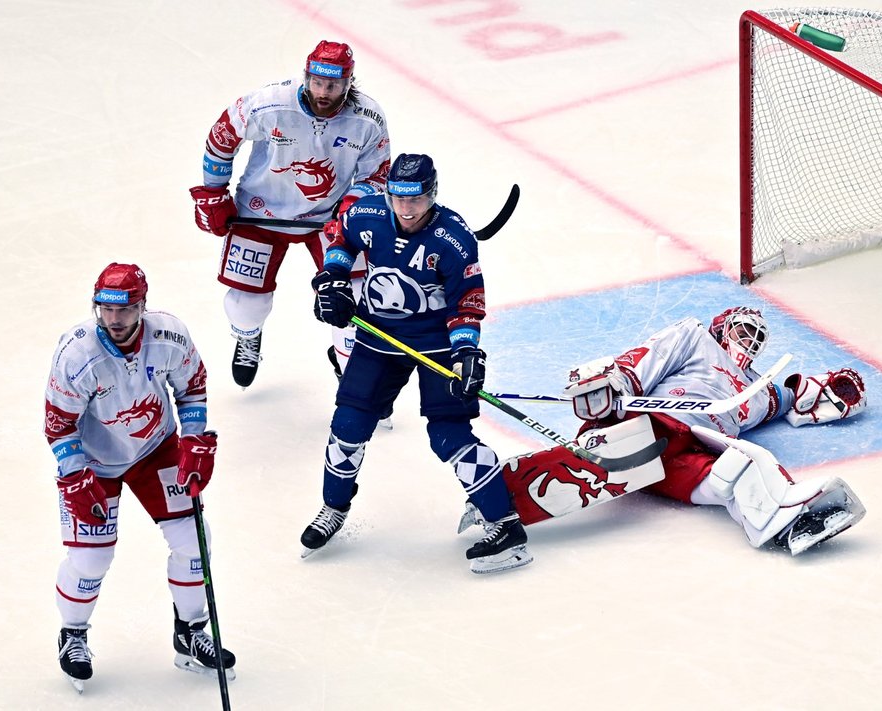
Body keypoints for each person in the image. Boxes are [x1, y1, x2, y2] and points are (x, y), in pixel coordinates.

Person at [300, 153, 534, 574]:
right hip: (378, 338)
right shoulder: (368, 213)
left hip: (435, 347)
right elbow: (341, 242)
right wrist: (332, 280)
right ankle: (333, 509)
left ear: (433, 194)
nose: (406, 210)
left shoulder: (455, 240)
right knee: (347, 426)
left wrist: (465, 353)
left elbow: (467, 302)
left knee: (449, 435)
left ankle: (506, 527)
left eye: (417, 200)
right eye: (399, 198)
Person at [485, 307, 868, 555]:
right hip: (654, 426)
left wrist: (830, 391)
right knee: (675, 446)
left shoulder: (757, 388)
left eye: (756, 338)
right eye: (743, 330)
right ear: (723, 326)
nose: (748, 341)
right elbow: (647, 357)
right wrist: (616, 384)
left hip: (682, 455)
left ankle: (782, 524)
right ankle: (496, 497)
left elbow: (793, 397)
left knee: (744, 465)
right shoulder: (696, 337)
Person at [44, 263, 235, 692]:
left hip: (155, 449)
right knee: (92, 558)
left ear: (142, 307)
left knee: (192, 540)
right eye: (105, 310)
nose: (114, 320)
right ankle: (72, 633)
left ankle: (190, 631)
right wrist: (75, 478)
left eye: (126, 310)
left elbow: (192, 387)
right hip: (93, 461)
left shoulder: (169, 336)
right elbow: (59, 424)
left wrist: (194, 440)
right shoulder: (77, 355)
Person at [189, 39, 392, 389]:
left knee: (353, 300)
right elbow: (222, 137)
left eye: (333, 85)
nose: (324, 92)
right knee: (244, 306)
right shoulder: (270, 104)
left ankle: (354, 374)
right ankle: (249, 336)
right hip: (259, 213)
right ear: (306, 77)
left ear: (349, 83)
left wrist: (352, 206)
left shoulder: (368, 118)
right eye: (317, 82)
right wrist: (212, 192)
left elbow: (377, 174)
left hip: (328, 218)